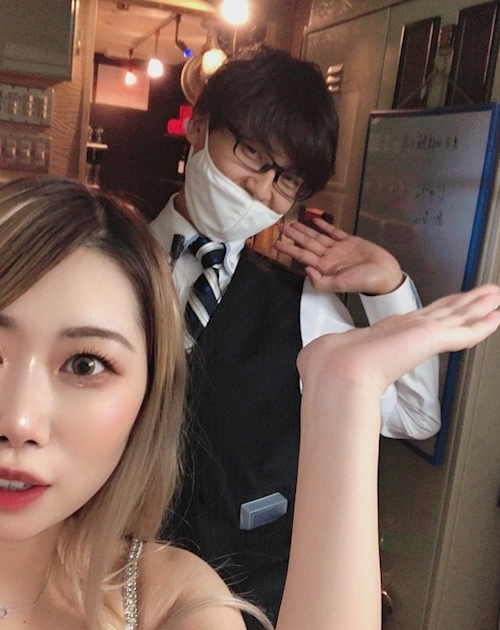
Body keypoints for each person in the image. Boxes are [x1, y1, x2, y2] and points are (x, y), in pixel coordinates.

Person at [0, 176, 500, 630]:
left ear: (149, 398)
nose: (19, 423)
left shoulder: (169, 600)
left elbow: (415, 414)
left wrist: (343, 391)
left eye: (85, 364)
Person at [152, 46, 441, 623]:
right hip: (109, 580)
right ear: (199, 126)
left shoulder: (302, 303)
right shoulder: (108, 256)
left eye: (286, 180)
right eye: (252, 154)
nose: (261, 191)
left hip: (247, 596)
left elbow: (414, 416)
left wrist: (388, 289)